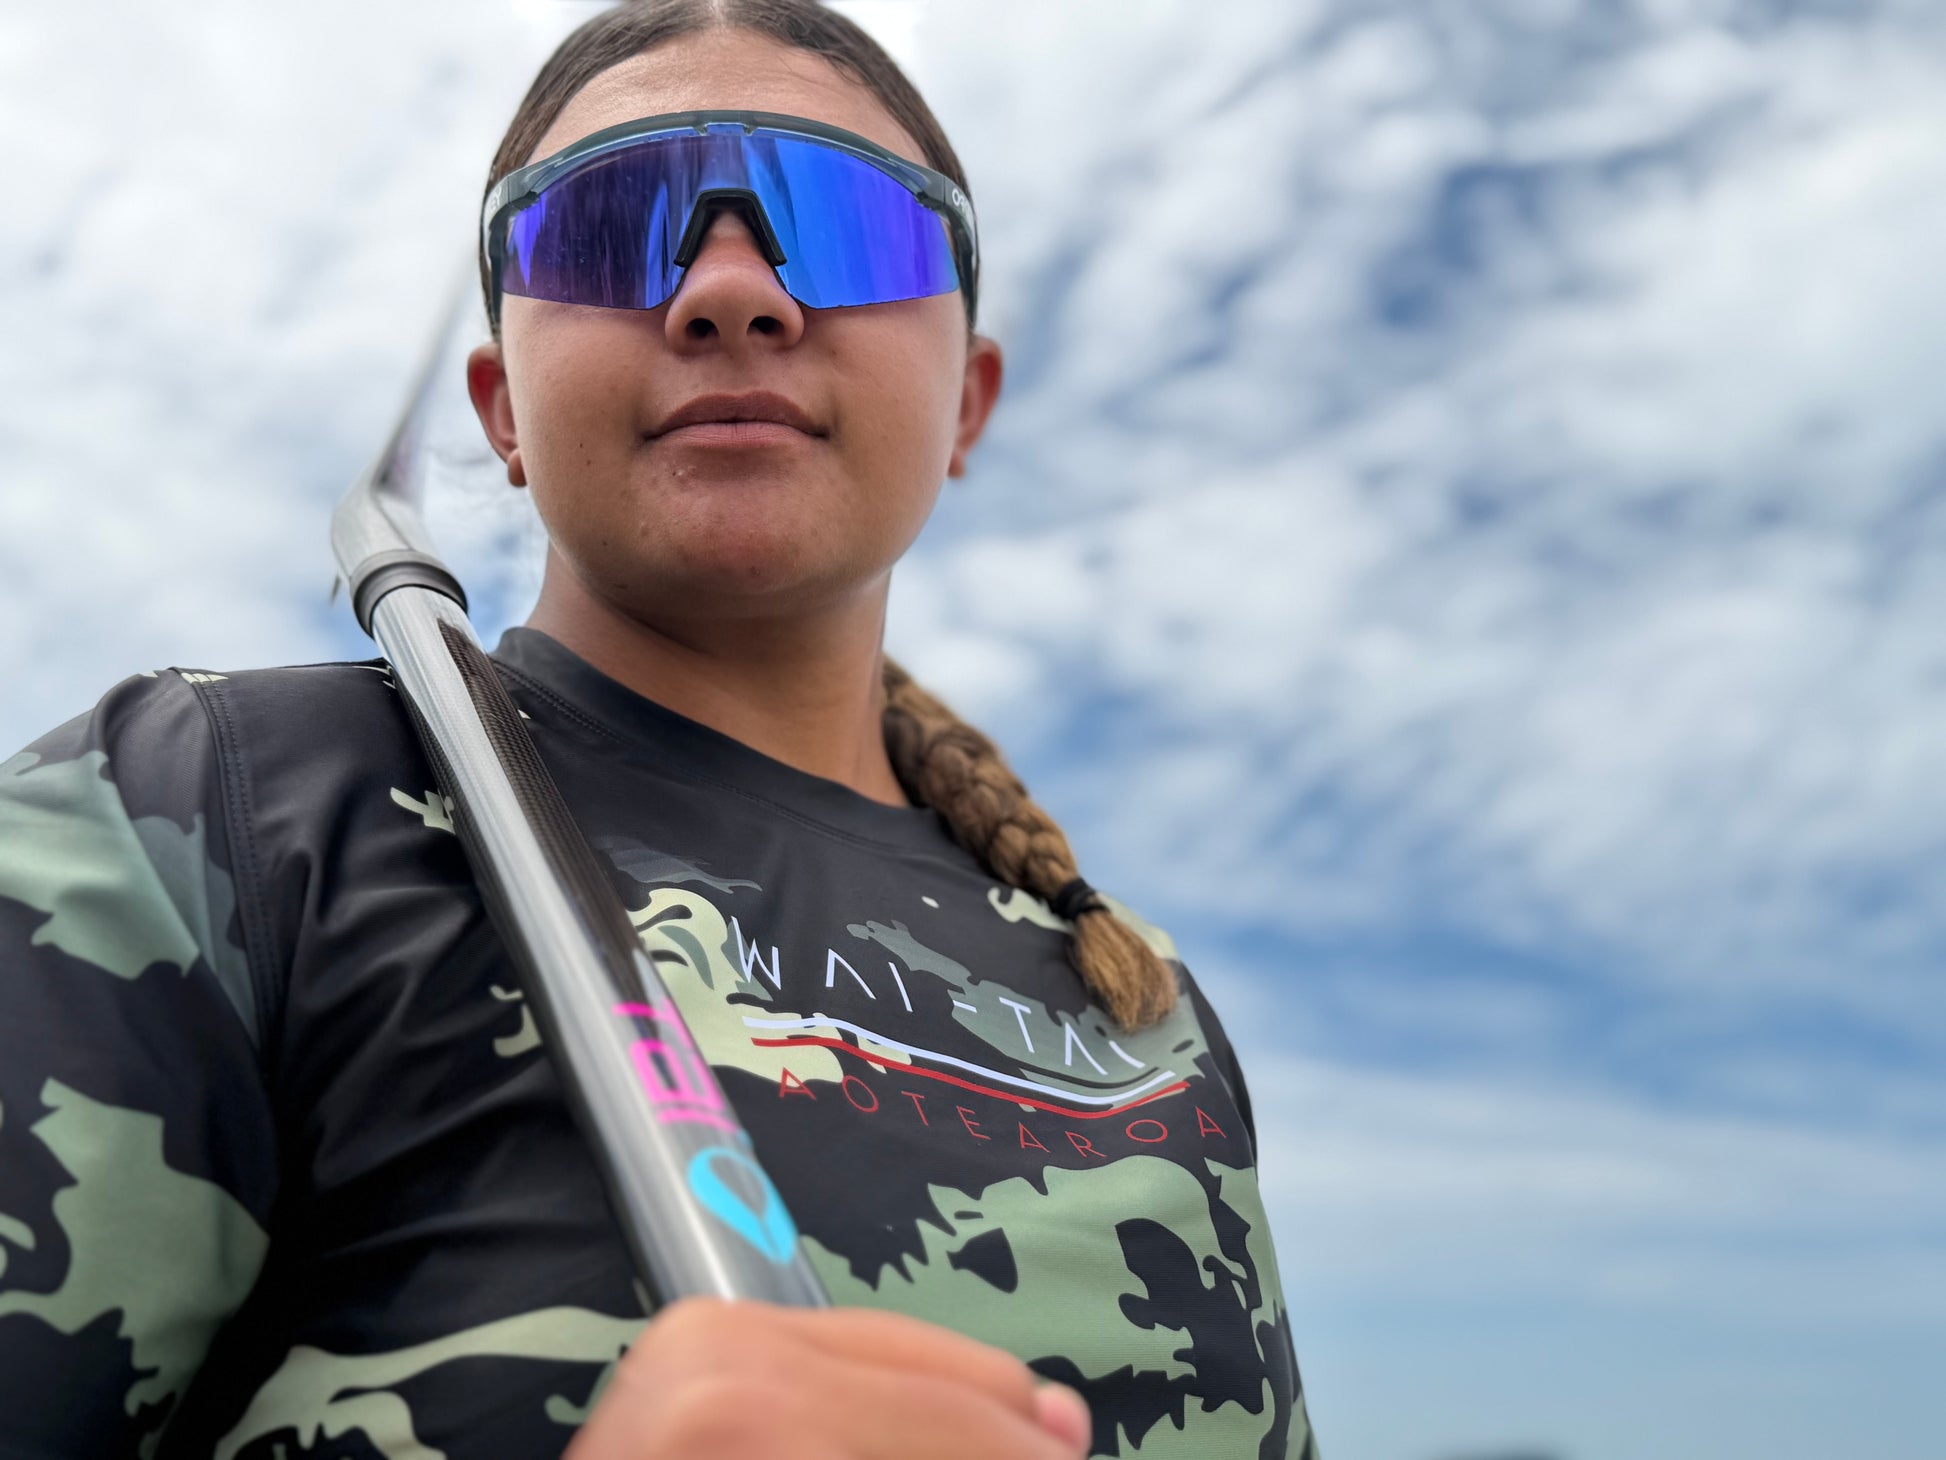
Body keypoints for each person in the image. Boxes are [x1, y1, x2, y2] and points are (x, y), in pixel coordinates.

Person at [0, 2, 1319, 1456]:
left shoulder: (1138, 1005)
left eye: (850, 220)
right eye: (610, 221)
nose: (731, 294)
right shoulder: (207, 813)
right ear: (502, 411)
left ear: (968, 399)